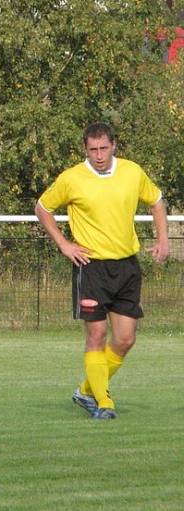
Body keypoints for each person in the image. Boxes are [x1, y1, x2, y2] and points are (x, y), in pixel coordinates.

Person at [35, 122, 168, 420]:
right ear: (85, 149)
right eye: (93, 149)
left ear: (114, 145)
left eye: (103, 148)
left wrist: (162, 240)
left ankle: (86, 390)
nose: (98, 155)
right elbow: (42, 208)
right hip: (91, 267)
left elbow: (157, 202)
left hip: (126, 266)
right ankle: (104, 405)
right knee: (96, 335)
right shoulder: (71, 178)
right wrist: (64, 245)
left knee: (125, 339)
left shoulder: (132, 172)